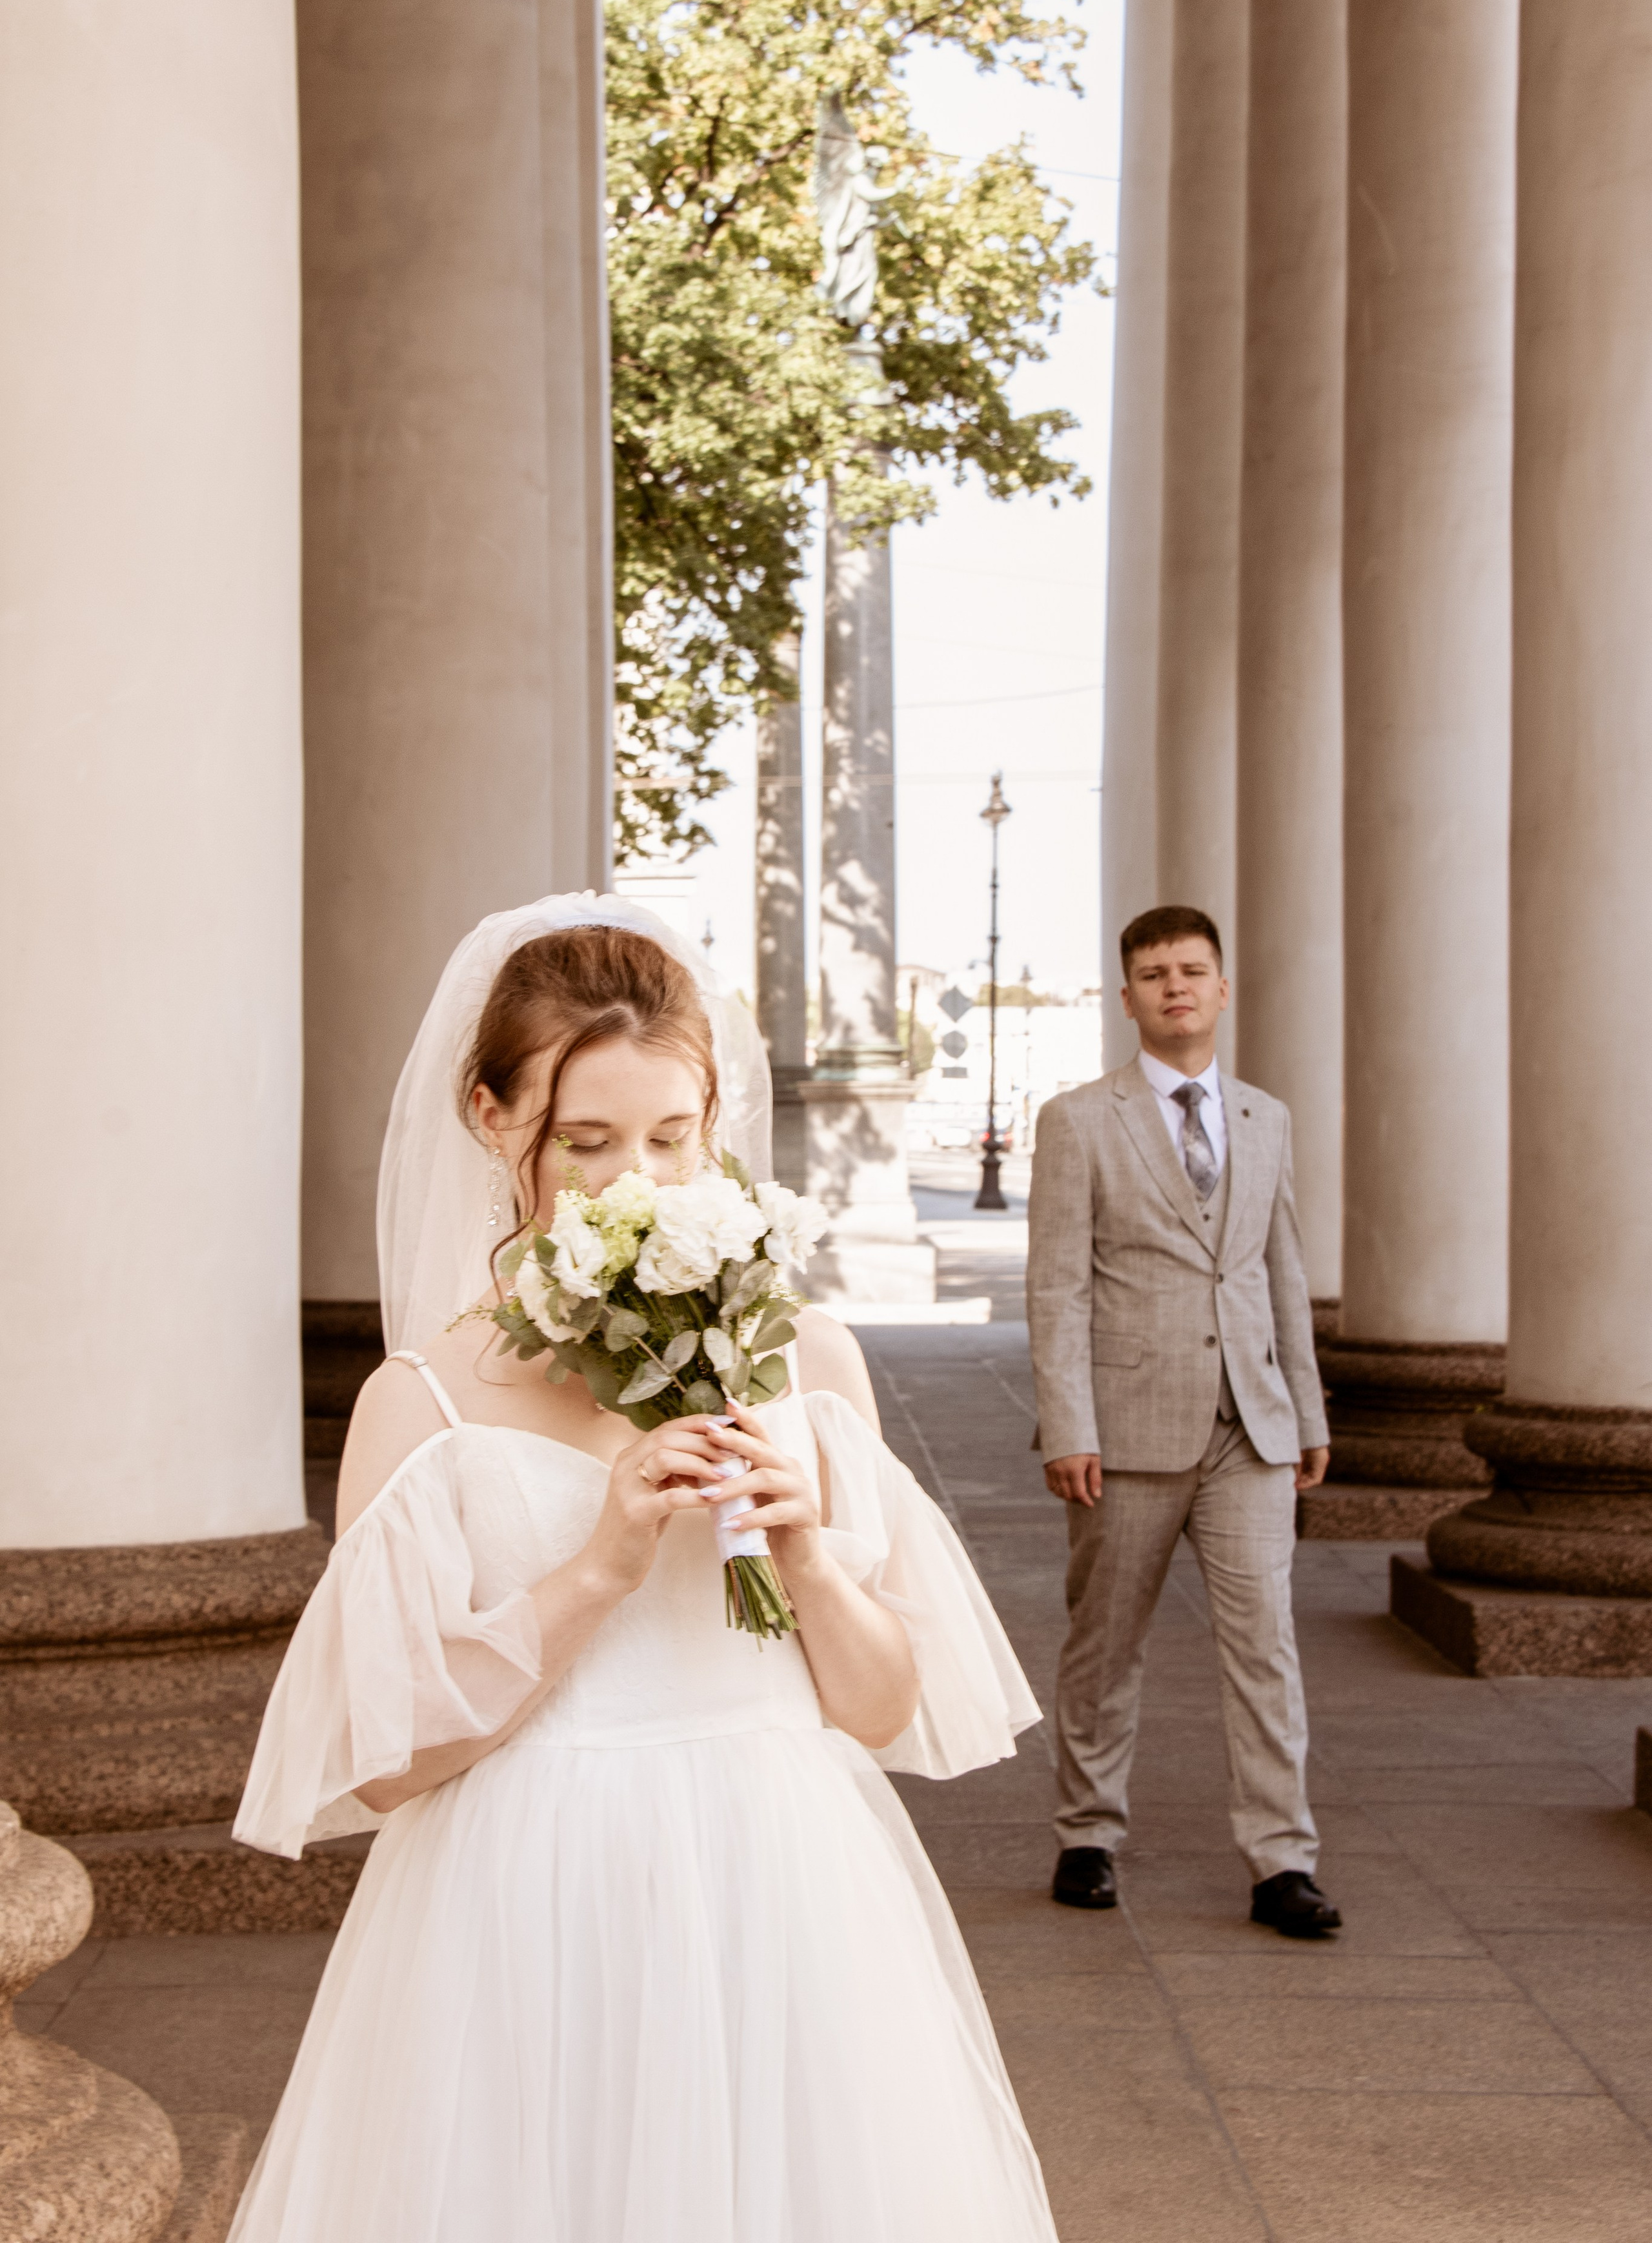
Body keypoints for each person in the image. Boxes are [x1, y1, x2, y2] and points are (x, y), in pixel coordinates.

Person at [228, 895, 1058, 2242]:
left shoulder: (807, 1361)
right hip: (522, 1903)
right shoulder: (422, 1402)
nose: (640, 1186)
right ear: (494, 1120)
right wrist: (601, 1566)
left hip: (781, 1880)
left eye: (673, 1139)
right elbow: (385, 1763)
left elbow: (880, 1705)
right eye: (588, 1142)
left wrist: (801, 1554)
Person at [1025, 904, 1340, 1940]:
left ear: (1222, 988)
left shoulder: (1264, 1117)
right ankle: (1087, 1834)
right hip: (1126, 1431)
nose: (1175, 988)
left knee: (1266, 1648)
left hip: (1249, 1428)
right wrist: (1069, 1423)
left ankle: (1282, 1861)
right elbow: (1059, 1285)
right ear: (1128, 998)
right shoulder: (1080, 1121)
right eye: (1154, 974)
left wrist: (1304, 1406)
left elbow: (1280, 1269)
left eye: (1192, 971)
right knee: (1106, 1641)